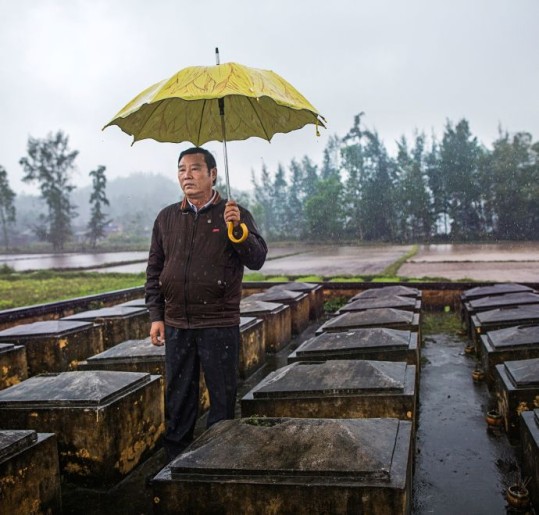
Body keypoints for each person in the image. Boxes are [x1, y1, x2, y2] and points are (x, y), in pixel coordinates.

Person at [145, 146, 268, 462]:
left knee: (222, 395)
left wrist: (237, 230)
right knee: (179, 396)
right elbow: (155, 269)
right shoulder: (167, 217)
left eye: (196, 169)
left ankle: (221, 456)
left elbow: (257, 259)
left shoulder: (233, 213)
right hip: (176, 323)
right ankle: (175, 460)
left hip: (218, 323)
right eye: (182, 169)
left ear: (213, 174)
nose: (187, 175)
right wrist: (156, 315)